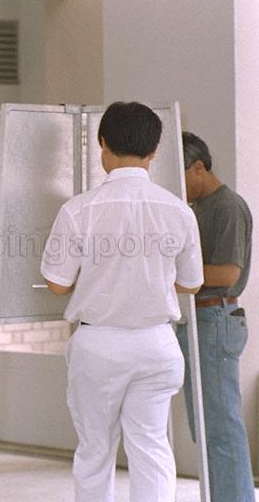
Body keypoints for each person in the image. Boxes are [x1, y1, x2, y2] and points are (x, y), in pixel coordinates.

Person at [40, 102, 203, 502]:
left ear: (102, 144)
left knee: (96, 451)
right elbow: (192, 283)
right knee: (151, 447)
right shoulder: (178, 211)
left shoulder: (79, 210)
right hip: (157, 345)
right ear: (154, 152)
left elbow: (57, 285)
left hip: (99, 347)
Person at [176, 131, 254, 502]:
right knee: (205, 427)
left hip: (216, 320)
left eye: (182, 174)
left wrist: (177, 271)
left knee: (221, 427)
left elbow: (228, 274)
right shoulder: (197, 208)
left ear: (199, 167)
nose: (179, 185)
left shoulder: (227, 206)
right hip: (199, 322)